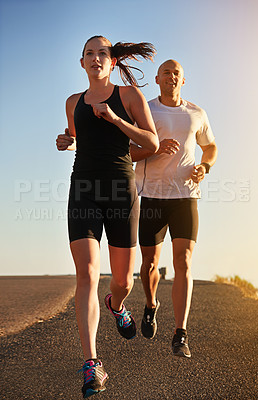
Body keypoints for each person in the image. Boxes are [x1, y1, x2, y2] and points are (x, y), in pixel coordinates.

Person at [56, 35, 159, 398]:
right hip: (83, 187)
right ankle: (93, 365)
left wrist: (116, 119)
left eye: (103, 53)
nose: (96, 58)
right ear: (81, 62)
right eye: (89, 53)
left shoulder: (129, 96)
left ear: (111, 62)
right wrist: (66, 140)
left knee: (122, 281)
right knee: (86, 273)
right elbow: (77, 136)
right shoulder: (73, 102)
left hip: (120, 190)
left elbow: (151, 142)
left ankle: (116, 305)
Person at [130, 59, 218, 358]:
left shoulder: (197, 113)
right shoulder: (147, 110)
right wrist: (153, 148)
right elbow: (126, 151)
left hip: (186, 196)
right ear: (157, 79)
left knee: (184, 261)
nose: (171, 76)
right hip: (152, 196)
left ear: (184, 80)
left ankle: (181, 333)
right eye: (166, 72)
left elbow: (211, 146)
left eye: (176, 73)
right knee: (150, 265)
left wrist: (204, 166)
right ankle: (151, 304)